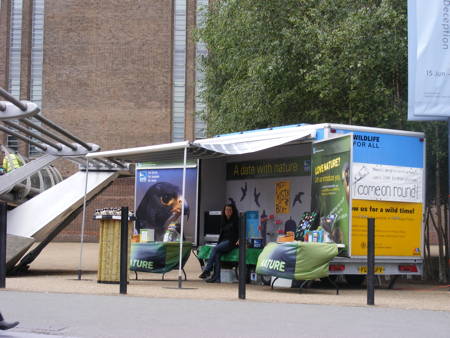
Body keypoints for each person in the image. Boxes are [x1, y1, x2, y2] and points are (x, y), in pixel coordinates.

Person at [199, 203, 239, 283]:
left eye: (230, 210)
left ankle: (207, 270)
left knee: (215, 249)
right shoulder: (223, 220)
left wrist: (240, 239)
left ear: (233, 211)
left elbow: (240, 232)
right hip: (223, 242)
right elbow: (221, 235)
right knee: (217, 254)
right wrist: (219, 243)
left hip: (231, 242)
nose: (228, 211)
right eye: (226, 210)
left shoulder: (236, 221)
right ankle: (217, 278)